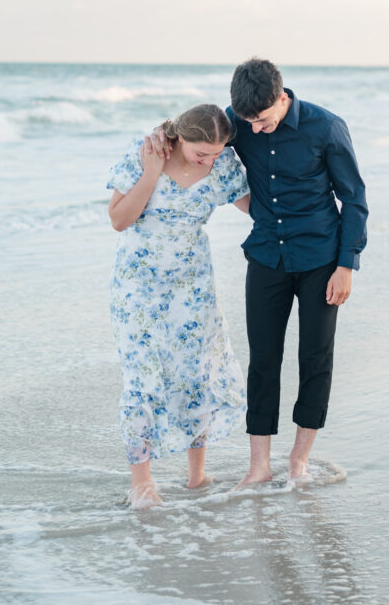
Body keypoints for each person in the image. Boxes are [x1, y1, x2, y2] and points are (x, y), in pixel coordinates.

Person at [150, 59, 368, 488]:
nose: (257, 129)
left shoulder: (326, 128)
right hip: (267, 254)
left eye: (264, 120)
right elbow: (197, 134)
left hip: (320, 258)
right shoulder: (238, 121)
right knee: (263, 361)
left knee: (315, 358)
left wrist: (347, 265)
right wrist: (163, 134)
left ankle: (299, 461)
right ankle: (259, 466)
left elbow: (354, 199)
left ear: (282, 98)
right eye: (248, 121)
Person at [107, 103, 250, 509]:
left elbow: (257, 207)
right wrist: (151, 175)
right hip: (138, 284)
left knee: (195, 371)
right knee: (142, 377)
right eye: (201, 153)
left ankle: (197, 475)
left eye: (216, 153)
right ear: (180, 137)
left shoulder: (222, 166)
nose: (209, 160)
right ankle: (142, 484)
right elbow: (119, 220)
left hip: (192, 281)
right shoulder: (146, 154)